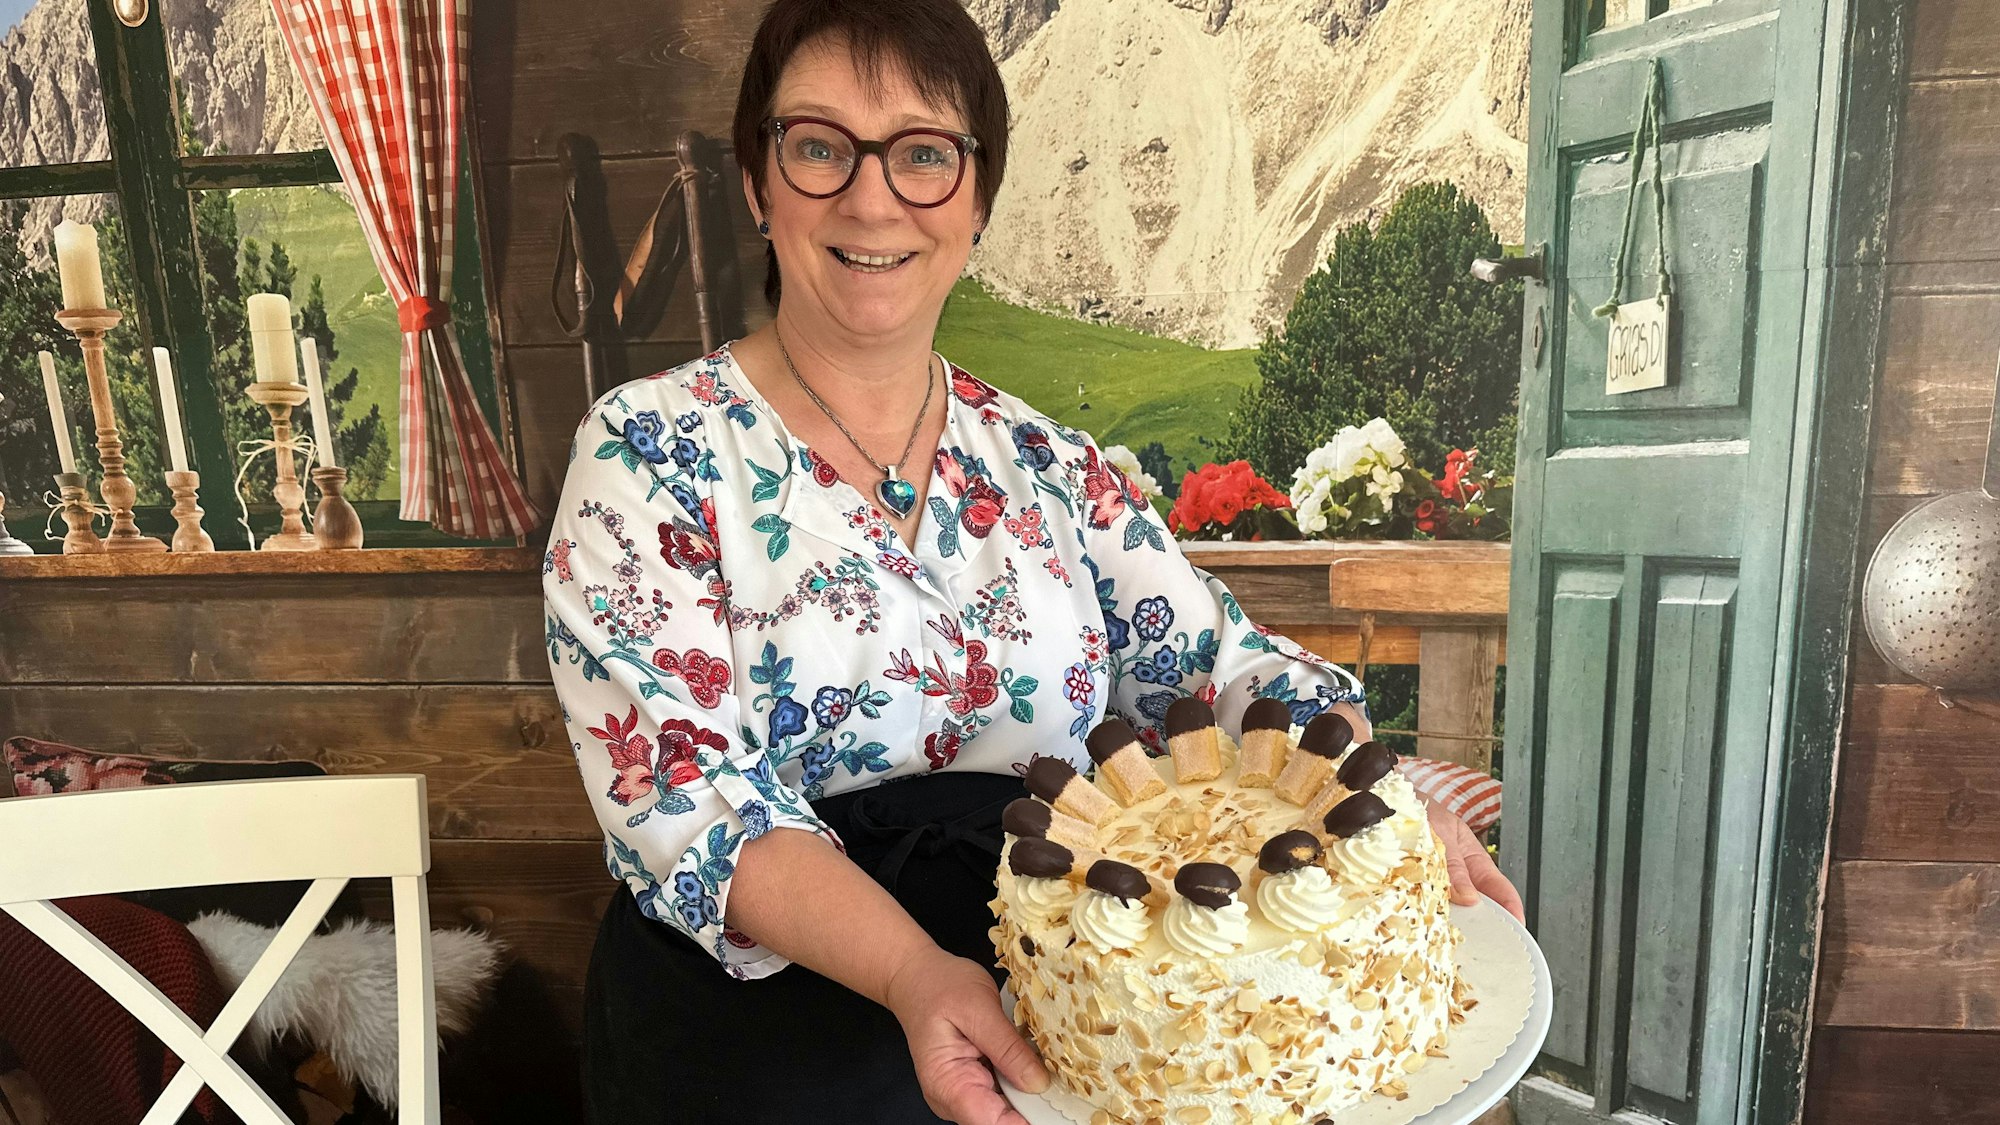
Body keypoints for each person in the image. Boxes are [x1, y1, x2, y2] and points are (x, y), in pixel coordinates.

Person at [541, 2, 1522, 1122]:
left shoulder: (1047, 462)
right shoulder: (644, 452)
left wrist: (1377, 796)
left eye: (923, 154)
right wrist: (916, 978)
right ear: (759, 183)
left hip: (1065, 1024)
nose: (871, 199)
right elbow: (688, 800)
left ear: (976, 197)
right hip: (763, 1046)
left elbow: (1228, 670)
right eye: (818, 147)